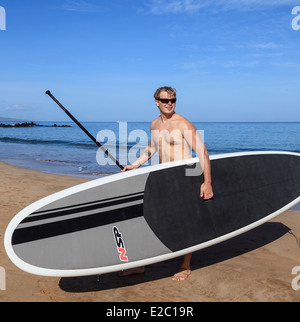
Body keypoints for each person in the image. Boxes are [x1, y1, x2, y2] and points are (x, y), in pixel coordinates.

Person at [119, 86, 213, 281]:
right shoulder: (154, 125)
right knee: (151, 219)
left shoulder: (183, 124)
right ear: (156, 102)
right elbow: (152, 147)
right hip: (164, 177)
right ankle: (142, 265)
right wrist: (134, 165)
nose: (169, 104)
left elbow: (202, 152)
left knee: (184, 222)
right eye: (165, 101)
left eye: (173, 100)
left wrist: (207, 182)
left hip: (184, 178)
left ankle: (185, 265)